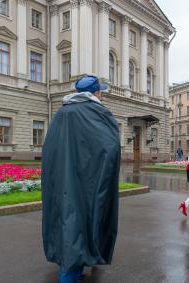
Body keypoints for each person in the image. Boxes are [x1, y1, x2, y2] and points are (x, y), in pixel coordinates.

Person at [42, 75, 120, 283]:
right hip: (89, 178)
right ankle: (70, 273)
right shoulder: (98, 112)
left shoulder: (62, 112)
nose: (101, 94)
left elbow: (50, 147)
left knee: (67, 217)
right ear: (95, 93)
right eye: (100, 91)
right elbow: (110, 146)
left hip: (62, 177)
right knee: (87, 216)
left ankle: (69, 267)